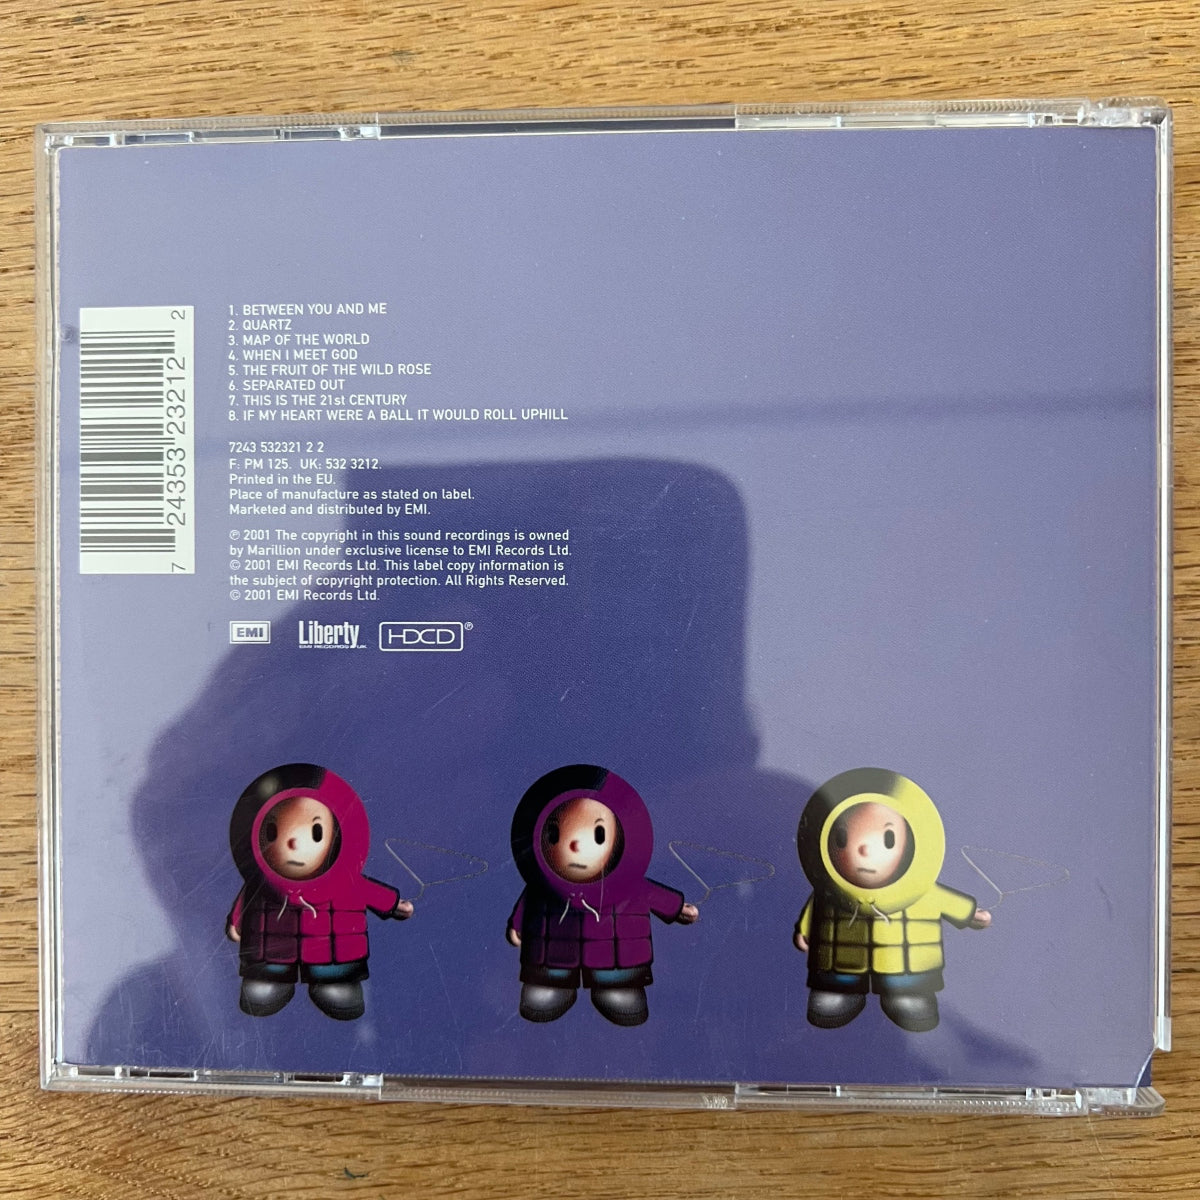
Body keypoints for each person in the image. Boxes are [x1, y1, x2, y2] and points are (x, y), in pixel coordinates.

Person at [794, 768, 990, 1032]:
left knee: (907, 979)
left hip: (906, 965)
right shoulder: (828, 892)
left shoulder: (921, 890)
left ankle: (908, 995)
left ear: (909, 844)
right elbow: (816, 906)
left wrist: (971, 913)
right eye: (843, 838)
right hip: (840, 958)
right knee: (838, 971)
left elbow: (946, 901)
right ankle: (838, 991)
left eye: (888, 839)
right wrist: (805, 930)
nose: (865, 849)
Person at [507, 764, 698, 1026]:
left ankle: (618, 988)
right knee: (551, 965)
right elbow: (529, 900)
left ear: (617, 839)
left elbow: (652, 894)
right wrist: (518, 925)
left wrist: (677, 908)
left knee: (618, 972)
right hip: (555, 948)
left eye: (598, 835)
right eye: (555, 834)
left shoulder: (629, 885)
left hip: (617, 956)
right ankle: (551, 985)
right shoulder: (542, 886)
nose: (575, 845)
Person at [226, 763, 413, 1020]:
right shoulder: (261, 885)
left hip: (334, 953)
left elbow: (371, 893)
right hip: (273, 948)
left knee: (335, 970)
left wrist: (395, 905)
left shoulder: (346, 881)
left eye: (315, 833)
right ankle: (269, 979)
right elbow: (247, 899)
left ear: (334, 838)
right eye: (273, 832)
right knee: (269, 964)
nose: (293, 843)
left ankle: (335, 982)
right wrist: (237, 922)